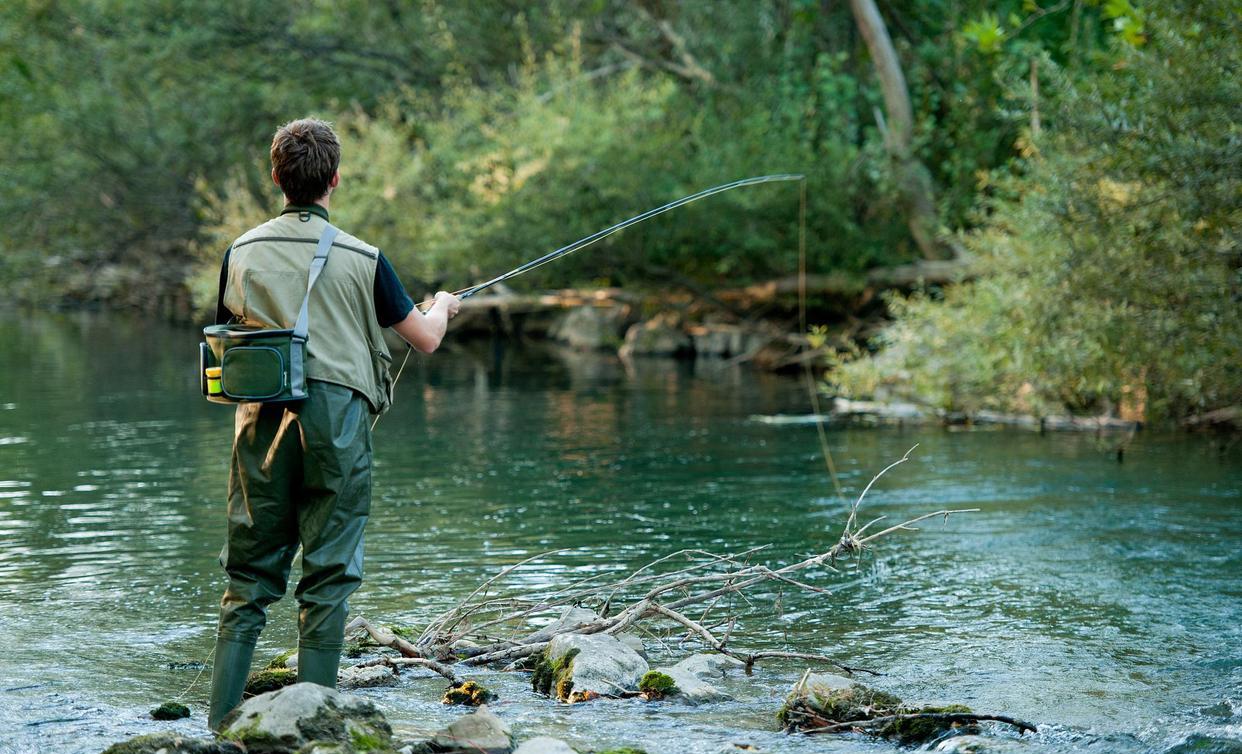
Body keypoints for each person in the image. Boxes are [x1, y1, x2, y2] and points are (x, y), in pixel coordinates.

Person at [206, 118, 460, 730]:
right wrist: (445, 305)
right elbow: (423, 340)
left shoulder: (240, 251)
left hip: (259, 421)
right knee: (328, 572)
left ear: (275, 178)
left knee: (248, 577)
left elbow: (228, 337)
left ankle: (218, 727)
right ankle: (313, 728)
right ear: (335, 179)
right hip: (338, 421)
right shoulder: (363, 257)